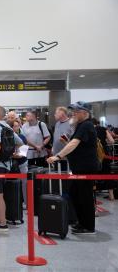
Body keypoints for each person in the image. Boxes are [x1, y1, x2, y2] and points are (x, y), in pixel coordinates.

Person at [47, 101, 98, 235]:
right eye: (73, 111)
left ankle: (88, 226)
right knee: (75, 194)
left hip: (85, 168)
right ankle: (82, 222)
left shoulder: (86, 125)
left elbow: (75, 143)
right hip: (79, 167)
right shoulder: (80, 125)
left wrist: (58, 156)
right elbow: (75, 145)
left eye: (76, 111)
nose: (73, 113)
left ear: (84, 113)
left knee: (84, 196)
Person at [0, 106, 23, 232]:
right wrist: (10, 153)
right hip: (6, 164)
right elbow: (19, 142)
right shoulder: (7, 127)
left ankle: (2, 223)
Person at [92, 118, 115, 200]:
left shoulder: (89, 130)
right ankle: (111, 195)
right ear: (97, 123)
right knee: (107, 174)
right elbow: (112, 141)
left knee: (92, 176)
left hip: (93, 156)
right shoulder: (103, 129)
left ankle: (94, 197)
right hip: (104, 154)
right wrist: (104, 142)